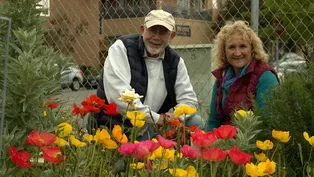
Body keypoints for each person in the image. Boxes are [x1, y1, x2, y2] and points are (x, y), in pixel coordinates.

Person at [93, 9, 204, 140]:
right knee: (143, 147)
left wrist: (175, 117)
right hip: (117, 123)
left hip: (153, 123)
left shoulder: (176, 61)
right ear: (142, 29)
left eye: (163, 32)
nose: (156, 37)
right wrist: (157, 118)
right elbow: (119, 98)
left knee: (197, 122)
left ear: (172, 36)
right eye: (152, 30)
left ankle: (188, 158)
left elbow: (189, 99)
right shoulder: (122, 48)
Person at [206, 20, 279, 131]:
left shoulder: (265, 77)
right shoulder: (222, 78)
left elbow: (266, 124)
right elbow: (213, 121)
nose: (237, 53)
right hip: (224, 141)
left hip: (251, 141)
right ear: (224, 51)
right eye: (231, 47)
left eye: (243, 46)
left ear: (252, 49)